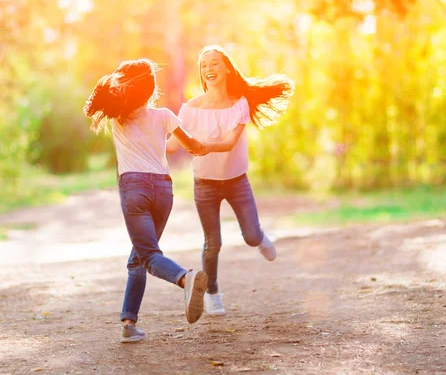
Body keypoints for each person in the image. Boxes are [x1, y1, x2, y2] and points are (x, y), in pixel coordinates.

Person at [83, 58, 209, 343]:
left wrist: (115, 80)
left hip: (135, 188)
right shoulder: (164, 115)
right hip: (164, 190)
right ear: (151, 88)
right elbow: (192, 146)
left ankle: (185, 278)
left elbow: (100, 95)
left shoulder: (119, 116)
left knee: (149, 255)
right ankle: (129, 323)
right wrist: (206, 145)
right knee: (138, 258)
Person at [167, 45, 294, 316]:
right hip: (205, 183)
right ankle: (212, 293)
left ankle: (259, 237)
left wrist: (202, 146)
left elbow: (228, 142)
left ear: (226, 68)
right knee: (213, 243)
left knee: (249, 236)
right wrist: (144, 134)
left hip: (237, 181)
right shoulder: (189, 109)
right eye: (203, 65)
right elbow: (171, 146)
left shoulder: (240, 104)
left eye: (214, 63)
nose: (208, 69)